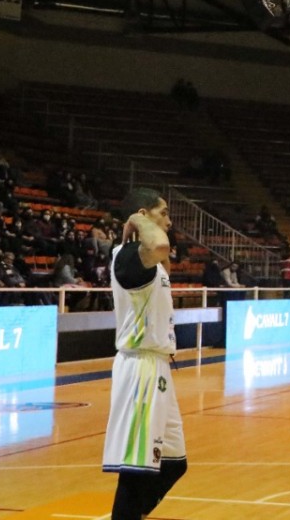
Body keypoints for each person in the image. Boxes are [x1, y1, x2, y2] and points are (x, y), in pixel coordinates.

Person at [101, 188, 187, 520]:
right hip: (140, 369)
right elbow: (160, 245)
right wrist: (135, 221)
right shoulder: (128, 254)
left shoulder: (147, 257)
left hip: (158, 367)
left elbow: (161, 250)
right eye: (162, 212)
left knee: (175, 463)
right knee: (136, 471)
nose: (168, 219)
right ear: (143, 214)